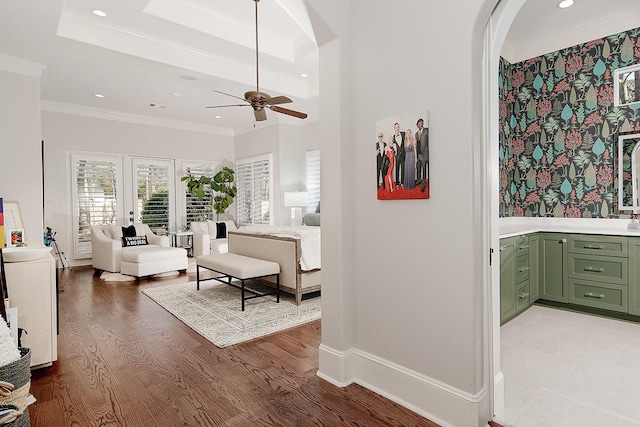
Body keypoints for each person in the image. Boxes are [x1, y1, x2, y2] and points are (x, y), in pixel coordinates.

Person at [415, 118, 429, 185]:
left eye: (421, 123)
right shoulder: (416, 134)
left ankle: (423, 182)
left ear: (423, 123)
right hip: (419, 154)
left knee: (424, 168)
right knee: (418, 167)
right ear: (417, 125)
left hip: (425, 154)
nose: (420, 125)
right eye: (419, 124)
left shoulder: (426, 130)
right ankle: (418, 180)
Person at [392, 122, 405, 187]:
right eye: (395, 127)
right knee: (397, 169)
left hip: (403, 155)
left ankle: (402, 182)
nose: (397, 128)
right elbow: (392, 146)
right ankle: (397, 183)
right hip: (397, 156)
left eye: (398, 127)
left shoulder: (403, 134)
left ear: (399, 127)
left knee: (403, 169)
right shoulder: (393, 137)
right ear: (394, 128)